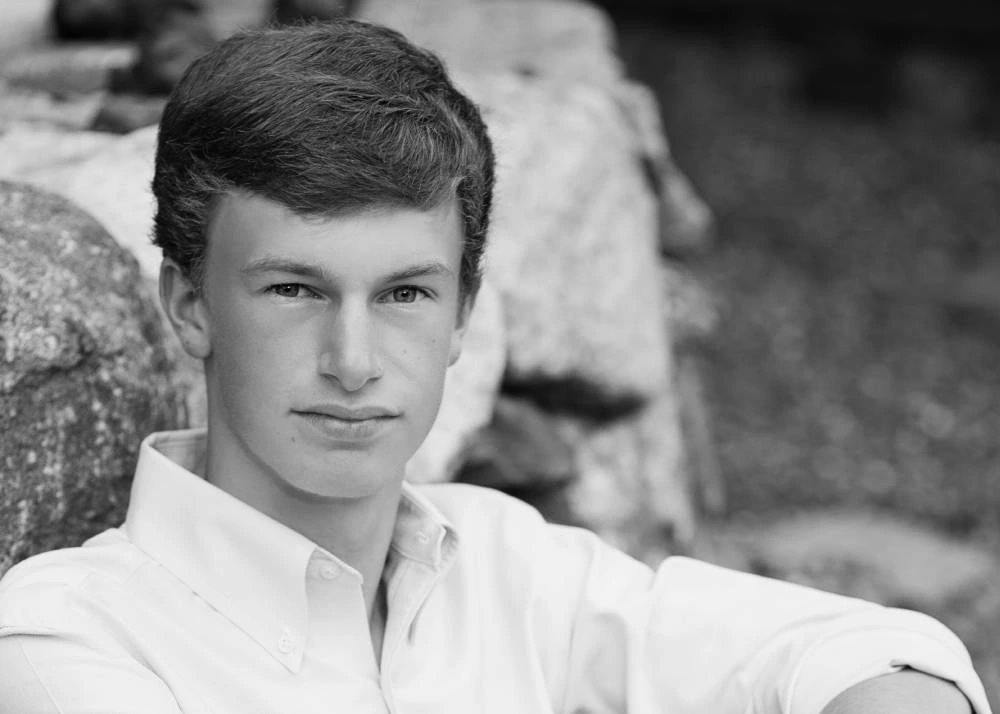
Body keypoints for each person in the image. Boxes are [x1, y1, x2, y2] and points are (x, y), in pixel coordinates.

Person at [0, 18, 990, 714]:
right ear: (188, 304)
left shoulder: (510, 570)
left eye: (404, 294)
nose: (353, 363)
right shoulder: (62, 641)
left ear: (464, 314)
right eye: (294, 291)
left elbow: (867, 653)